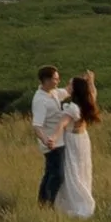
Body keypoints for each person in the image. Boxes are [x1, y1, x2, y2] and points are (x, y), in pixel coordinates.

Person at [57, 71, 99, 219]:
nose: (67, 86)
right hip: (83, 139)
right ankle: (84, 200)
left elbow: (63, 124)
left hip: (72, 140)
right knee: (83, 169)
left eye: (70, 84)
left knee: (72, 171)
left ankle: (76, 203)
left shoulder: (73, 107)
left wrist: (53, 137)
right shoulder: (87, 102)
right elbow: (93, 92)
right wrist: (91, 81)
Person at [31, 63, 68, 205]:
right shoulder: (40, 100)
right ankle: (49, 202)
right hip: (52, 144)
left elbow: (67, 90)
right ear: (46, 80)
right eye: (55, 78)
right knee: (57, 175)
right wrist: (47, 140)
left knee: (49, 173)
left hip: (58, 140)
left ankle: (42, 203)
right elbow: (37, 125)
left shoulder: (53, 93)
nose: (58, 81)